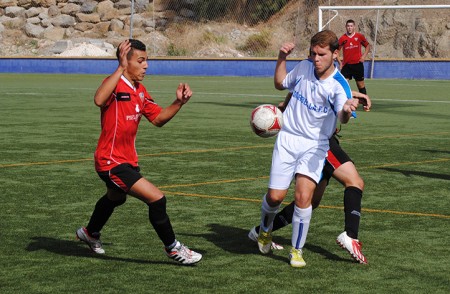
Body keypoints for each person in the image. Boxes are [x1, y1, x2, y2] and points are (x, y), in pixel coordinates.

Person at [76, 39, 202, 265]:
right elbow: (98, 99)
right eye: (140, 61)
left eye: (147, 61)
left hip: (127, 160)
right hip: (110, 161)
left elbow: (158, 119)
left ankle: (90, 232)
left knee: (115, 198)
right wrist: (120, 68)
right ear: (126, 61)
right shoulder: (114, 85)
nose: (146, 66)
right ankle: (173, 248)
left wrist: (178, 102)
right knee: (157, 199)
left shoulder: (140, 91)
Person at [256, 30, 366, 268]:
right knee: (275, 197)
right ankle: (264, 230)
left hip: (315, 146)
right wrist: (281, 58)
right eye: (313, 53)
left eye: (322, 54)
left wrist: (347, 109)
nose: (316, 59)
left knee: (304, 198)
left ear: (335, 54)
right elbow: (279, 84)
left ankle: (297, 251)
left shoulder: (339, 86)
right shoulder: (305, 67)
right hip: (287, 139)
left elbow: (342, 117)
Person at [248, 90, 371, 265]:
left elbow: (330, 86)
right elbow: (308, 86)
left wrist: (353, 95)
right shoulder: (317, 67)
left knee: (312, 202)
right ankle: (350, 235)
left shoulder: (331, 73)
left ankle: (260, 231)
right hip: (318, 142)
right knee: (355, 182)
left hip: (325, 139)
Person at [339, 19, 371, 95]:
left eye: (351, 26)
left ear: (354, 27)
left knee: (360, 85)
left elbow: (367, 46)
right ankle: (345, 104)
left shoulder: (359, 36)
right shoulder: (342, 38)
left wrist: (363, 56)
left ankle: (365, 103)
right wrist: (340, 62)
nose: (349, 28)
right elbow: (336, 51)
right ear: (346, 27)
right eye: (348, 26)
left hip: (357, 64)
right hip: (346, 65)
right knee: (343, 85)